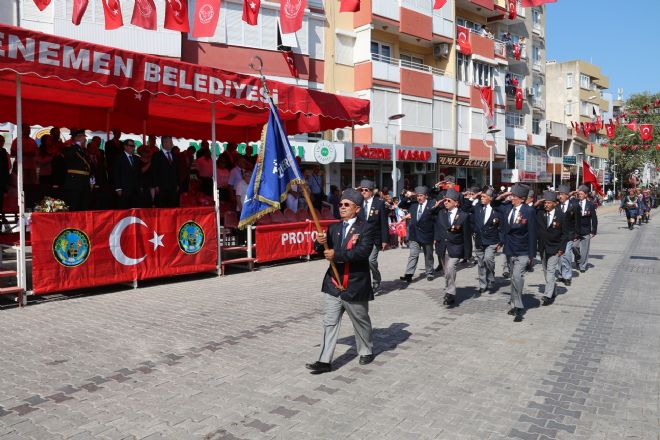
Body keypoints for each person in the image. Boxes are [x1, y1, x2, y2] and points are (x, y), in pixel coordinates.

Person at [306, 188, 375, 375]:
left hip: (355, 283)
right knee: (329, 322)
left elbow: (362, 253)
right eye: (341, 204)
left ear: (357, 208)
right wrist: (319, 242)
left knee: (360, 321)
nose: (342, 207)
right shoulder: (334, 228)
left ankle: (366, 349)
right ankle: (324, 361)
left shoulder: (366, 228)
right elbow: (320, 250)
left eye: (347, 205)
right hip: (333, 284)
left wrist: (337, 254)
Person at [500, 183, 537, 322]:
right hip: (510, 249)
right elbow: (494, 203)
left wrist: (531, 255)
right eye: (511, 195)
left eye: (514, 196)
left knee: (517, 277)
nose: (511, 198)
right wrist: (504, 195)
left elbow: (533, 233)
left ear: (521, 198)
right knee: (513, 278)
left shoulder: (529, 211)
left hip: (523, 250)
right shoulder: (507, 208)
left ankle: (519, 307)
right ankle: (514, 304)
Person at [434, 188, 472, 307]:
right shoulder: (441, 213)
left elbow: (467, 236)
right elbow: (433, 221)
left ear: (456, 202)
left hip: (456, 247)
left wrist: (467, 254)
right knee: (447, 272)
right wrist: (437, 205)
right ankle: (448, 290)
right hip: (442, 247)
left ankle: (450, 293)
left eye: (448, 201)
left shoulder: (463, 216)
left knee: (450, 268)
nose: (445, 202)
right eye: (444, 200)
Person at [535, 190, 568, 306]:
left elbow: (565, 234)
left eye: (549, 203)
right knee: (545, 270)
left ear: (555, 203)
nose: (546, 205)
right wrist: (538, 202)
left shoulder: (561, 215)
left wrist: (562, 248)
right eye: (545, 203)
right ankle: (553, 290)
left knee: (550, 271)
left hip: (555, 248)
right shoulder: (540, 213)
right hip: (543, 247)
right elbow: (530, 211)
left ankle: (547, 295)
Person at [398, 186, 436, 283]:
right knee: (413, 254)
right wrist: (408, 196)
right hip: (414, 234)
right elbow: (401, 205)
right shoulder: (413, 204)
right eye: (418, 196)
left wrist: (436, 236)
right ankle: (408, 274)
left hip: (427, 234)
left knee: (428, 255)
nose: (419, 198)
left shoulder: (432, 204)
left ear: (426, 196)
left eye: (421, 196)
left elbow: (437, 220)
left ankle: (430, 272)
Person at [357, 180, 389, 293]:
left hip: (375, 237)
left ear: (371, 191)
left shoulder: (379, 203)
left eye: (366, 190)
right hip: (361, 238)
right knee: (362, 261)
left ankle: (376, 280)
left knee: (371, 260)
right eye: (362, 190)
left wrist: (385, 240)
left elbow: (384, 223)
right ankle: (364, 283)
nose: (363, 192)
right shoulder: (359, 203)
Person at [471, 187, 502, 294]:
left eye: (484, 197)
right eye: (481, 196)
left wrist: (500, 242)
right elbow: (465, 207)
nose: (481, 198)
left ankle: (491, 277)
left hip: (492, 240)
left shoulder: (497, 210)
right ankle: (483, 284)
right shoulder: (478, 207)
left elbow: (502, 227)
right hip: (479, 240)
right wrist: (474, 197)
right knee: (481, 263)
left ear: (490, 198)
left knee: (488, 259)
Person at [556, 185, 580, 286]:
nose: (560, 196)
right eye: (559, 194)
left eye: (561, 194)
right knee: (559, 256)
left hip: (569, 235)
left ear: (567, 195)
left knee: (566, 255)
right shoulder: (556, 206)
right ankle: (561, 274)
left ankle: (567, 276)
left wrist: (576, 235)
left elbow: (577, 221)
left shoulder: (574, 205)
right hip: (558, 235)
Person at [62, 129, 91, 211]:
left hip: (84, 182)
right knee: (74, 206)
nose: (85, 140)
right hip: (74, 182)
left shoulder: (83, 151)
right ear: (77, 138)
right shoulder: (69, 148)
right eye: (83, 137)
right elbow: (69, 156)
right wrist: (76, 145)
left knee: (84, 206)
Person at [113, 140, 142, 209]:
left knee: (135, 210)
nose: (133, 148)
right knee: (124, 210)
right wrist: (118, 188)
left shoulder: (137, 158)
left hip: (136, 190)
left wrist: (140, 186)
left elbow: (139, 174)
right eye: (131, 146)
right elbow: (116, 173)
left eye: (134, 146)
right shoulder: (119, 158)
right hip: (124, 189)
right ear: (125, 147)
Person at [152, 136, 179, 208]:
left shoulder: (174, 155)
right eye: (170, 142)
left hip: (172, 186)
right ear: (164, 143)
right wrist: (156, 185)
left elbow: (176, 171)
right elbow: (154, 171)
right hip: (161, 186)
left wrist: (177, 184)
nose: (172, 144)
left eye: (171, 142)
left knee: (172, 205)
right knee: (162, 205)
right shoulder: (157, 155)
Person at [576, 185, 597, 273]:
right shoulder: (575, 203)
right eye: (579, 194)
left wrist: (593, 231)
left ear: (585, 195)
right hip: (575, 231)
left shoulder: (590, 204)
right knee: (574, 246)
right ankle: (578, 259)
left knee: (584, 250)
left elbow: (594, 218)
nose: (579, 195)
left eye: (581, 194)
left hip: (586, 230)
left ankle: (582, 266)